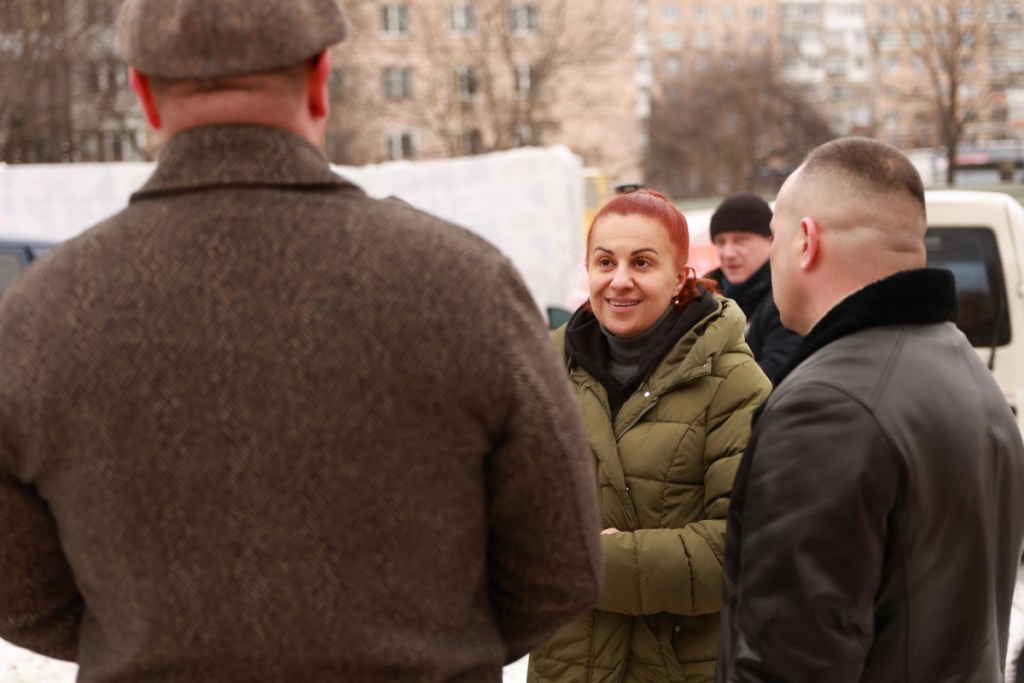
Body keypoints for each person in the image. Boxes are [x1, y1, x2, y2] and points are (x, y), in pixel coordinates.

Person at [0, 1, 603, 681]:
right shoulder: (464, 284)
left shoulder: (42, 312)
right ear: (320, 78)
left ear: (142, 92)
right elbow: (561, 567)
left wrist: (150, 639)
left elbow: (19, 589)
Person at [718, 137, 1024, 682]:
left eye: (774, 236)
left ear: (806, 241)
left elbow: (791, 663)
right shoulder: (968, 371)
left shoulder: (827, 407)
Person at [528, 189, 772, 682]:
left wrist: (598, 562)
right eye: (605, 262)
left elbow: (747, 548)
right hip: (566, 666)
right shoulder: (543, 371)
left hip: (677, 668)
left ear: (679, 276)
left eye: (641, 262)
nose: (620, 280)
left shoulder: (734, 384)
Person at [706, 192, 801, 381]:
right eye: (721, 242)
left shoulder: (789, 297)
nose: (728, 253)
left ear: (771, 241)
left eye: (740, 240)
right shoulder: (701, 297)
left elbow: (773, 376)